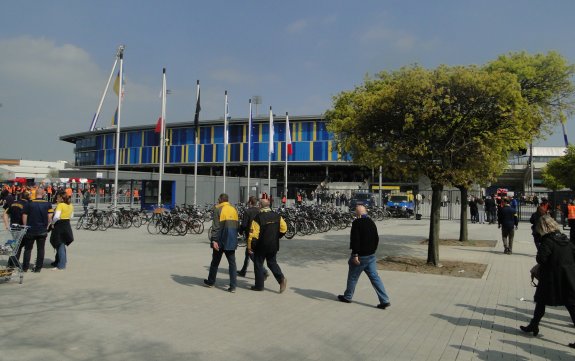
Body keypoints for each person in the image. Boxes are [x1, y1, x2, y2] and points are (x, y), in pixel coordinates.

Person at [520, 215, 575, 349]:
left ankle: (534, 325)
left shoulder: (548, 241)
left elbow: (541, 259)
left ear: (542, 227)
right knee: (570, 306)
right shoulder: (565, 240)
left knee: (541, 301)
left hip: (551, 278)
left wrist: (540, 246)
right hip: (567, 277)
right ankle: (534, 325)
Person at [338, 205, 390, 309]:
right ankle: (384, 300)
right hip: (371, 255)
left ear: (357, 213)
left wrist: (355, 254)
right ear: (365, 212)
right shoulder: (371, 222)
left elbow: (355, 240)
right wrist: (373, 250)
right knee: (375, 278)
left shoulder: (357, 223)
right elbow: (376, 238)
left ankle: (348, 296)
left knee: (353, 277)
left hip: (361, 256)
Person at [247, 198, 287, 292]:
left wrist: (250, 247)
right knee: (272, 263)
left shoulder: (258, 218)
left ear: (260, 206)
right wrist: (278, 236)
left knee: (258, 264)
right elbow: (284, 228)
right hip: (273, 245)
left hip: (261, 246)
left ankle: (259, 286)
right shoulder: (277, 216)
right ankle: (281, 279)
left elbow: (253, 235)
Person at [204, 193, 239, 293]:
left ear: (220, 200)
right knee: (232, 264)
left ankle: (211, 282)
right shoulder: (234, 209)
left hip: (220, 240)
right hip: (231, 240)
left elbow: (215, 226)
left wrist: (214, 240)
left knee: (215, 262)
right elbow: (237, 225)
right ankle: (233, 286)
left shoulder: (217, 209)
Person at [22, 187, 54, 272]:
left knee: (28, 249)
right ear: (43, 194)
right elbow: (50, 216)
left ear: (35, 194)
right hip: (42, 229)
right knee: (41, 249)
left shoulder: (29, 203)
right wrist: (47, 225)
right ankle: (38, 268)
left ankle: (25, 267)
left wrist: (25, 226)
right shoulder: (48, 204)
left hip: (30, 229)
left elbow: (24, 215)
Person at [237, 196, 268, 279]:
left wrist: (240, 231)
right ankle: (243, 270)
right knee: (248, 253)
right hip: (259, 235)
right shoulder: (259, 211)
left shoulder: (247, 211)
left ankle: (264, 271)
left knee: (251, 254)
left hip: (250, 235)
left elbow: (244, 224)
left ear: (250, 202)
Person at [49, 192, 74, 270]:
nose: (56, 199)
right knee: (61, 244)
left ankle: (61, 265)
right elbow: (72, 216)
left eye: (58, 197)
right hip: (67, 225)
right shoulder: (70, 205)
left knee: (59, 244)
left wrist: (52, 223)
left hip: (59, 225)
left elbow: (56, 216)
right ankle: (58, 261)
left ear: (62, 198)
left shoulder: (60, 205)